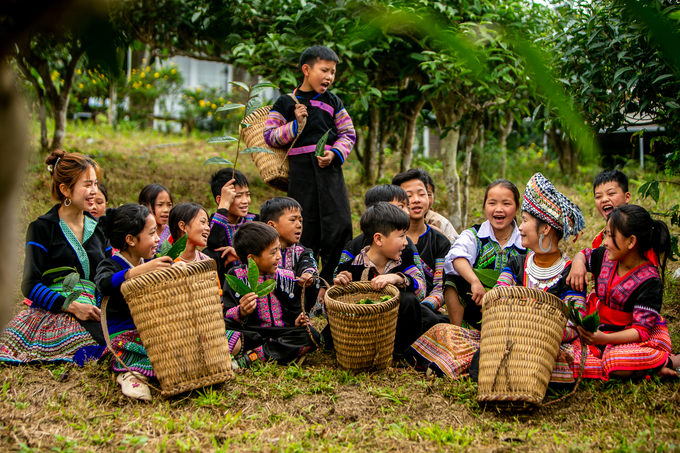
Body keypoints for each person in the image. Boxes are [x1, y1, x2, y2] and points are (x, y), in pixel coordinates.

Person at [410, 173, 587, 384]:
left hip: (545, 341)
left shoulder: (570, 272)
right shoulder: (517, 263)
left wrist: (538, 331)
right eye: (492, 203)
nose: (521, 227)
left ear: (545, 229)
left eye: (526, 221)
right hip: (502, 328)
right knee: (445, 332)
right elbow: (498, 297)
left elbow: (576, 320)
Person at [0, 151, 109, 364]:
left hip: (94, 311)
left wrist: (100, 313)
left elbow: (102, 281)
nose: (94, 191)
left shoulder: (99, 230)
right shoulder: (42, 228)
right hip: (58, 310)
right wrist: (73, 306)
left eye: (95, 184)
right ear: (65, 189)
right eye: (87, 185)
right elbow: (30, 284)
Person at [263, 45, 356, 286]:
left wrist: (334, 153)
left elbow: (348, 133)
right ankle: (309, 281)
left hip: (330, 172)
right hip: (301, 173)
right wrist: (295, 123)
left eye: (333, 72)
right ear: (306, 69)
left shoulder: (334, 102)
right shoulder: (285, 102)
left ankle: (333, 282)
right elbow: (270, 135)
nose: (329, 77)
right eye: (324, 70)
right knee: (304, 227)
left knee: (340, 223)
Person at [566, 205, 679, 379]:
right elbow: (583, 254)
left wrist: (603, 339)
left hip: (630, 338)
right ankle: (646, 366)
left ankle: (667, 362)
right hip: (599, 329)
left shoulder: (650, 281)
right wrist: (578, 264)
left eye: (610, 236)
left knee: (615, 363)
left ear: (631, 242)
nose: (605, 242)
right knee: (564, 357)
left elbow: (640, 331)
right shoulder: (605, 257)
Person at [95, 204, 174, 401]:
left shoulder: (151, 262)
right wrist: (139, 272)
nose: (158, 239)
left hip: (151, 330)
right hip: (123, 335)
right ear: (130, 240)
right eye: (152, 233)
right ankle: (131, 374)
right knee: (138, 352)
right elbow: (104, 284)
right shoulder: (111, 264)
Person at [223, 222, 320, 369]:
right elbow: (227, 314)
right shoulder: (235, 277)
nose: (279, 257)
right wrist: (242, 311)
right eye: (273, 252)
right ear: (252, 259)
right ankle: (279, 353)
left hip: (282, 333)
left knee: (311, 336)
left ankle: (252, 357)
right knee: (224, 332)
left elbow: (295, 311)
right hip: (250, 333)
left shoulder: (287, 277)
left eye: (279, 250)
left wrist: (299, 320)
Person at [334, 203, 427, 355]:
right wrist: (339, 287)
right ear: (378, 239)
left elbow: (421, 291)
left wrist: (398, 278)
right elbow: (330, 310)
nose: (406, 242)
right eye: (402, 236)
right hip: (364, 335)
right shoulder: (350, 268)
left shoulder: (405, 261)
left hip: (397, 332)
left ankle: (401, 353)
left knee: (409, 300)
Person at [443, 179, 525, 328]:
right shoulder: (474, 235)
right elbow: (455, 256)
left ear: (517, 208)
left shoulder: (525, 240)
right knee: (453, 278)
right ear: (485, 206)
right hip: (477, 306)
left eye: (506, 204)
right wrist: (475, 282)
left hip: (513, 315)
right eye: (492, 203)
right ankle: (457, 332)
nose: (498, 209)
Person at [392, 170, 451, 323]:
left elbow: (440, 288)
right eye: (409, 196)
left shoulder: (440, 242)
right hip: (392, 307)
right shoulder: (387, 239)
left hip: (428, 310)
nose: (416, 200)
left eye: (421, 194)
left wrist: (423, 307)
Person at [260, 197, 319, 311]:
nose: (299, 225)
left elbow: (309, 265)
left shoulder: (302, 252)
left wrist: (308, 275)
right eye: (293, 220)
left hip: (293, 315)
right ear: (272, 225)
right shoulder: (258, 252)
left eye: (300, 220)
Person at [204, 169, 258, 286]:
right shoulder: (212, 224)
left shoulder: (255, 221)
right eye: (238, 196)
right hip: (225, 285)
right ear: (220, 199)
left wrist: (240, 254)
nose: (245, 201)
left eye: (247, 194)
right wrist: (224, 205)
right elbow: (213, 243)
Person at [591, 170, 632, 249]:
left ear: (627, 197)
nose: (604, 199)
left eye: (611, 193)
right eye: (598, 197)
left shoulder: (639, 233)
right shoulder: (599, 241)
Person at [421, 170, 458, 243]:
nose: (419, 200)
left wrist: (444, 239)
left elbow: (459, 249)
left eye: (428, 195)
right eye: (410, 195)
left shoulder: (441, 222)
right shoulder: (396, 220)